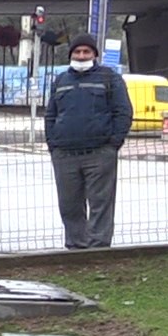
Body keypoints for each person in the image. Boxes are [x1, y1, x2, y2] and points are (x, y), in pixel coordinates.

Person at [43, 33, 132, 250]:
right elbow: (50, 115)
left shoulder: (109, 78)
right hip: (64, 155)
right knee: (69, 205)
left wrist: (113, 144)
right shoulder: (61, 81)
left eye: (86, 52)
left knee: (100, 203)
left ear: (95, 55)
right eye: (77, 52)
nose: (82, 56)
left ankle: (98, 249)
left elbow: (123, 112)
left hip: (99, 153)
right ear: (71, 55)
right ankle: (76, 248)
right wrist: (53, 144)